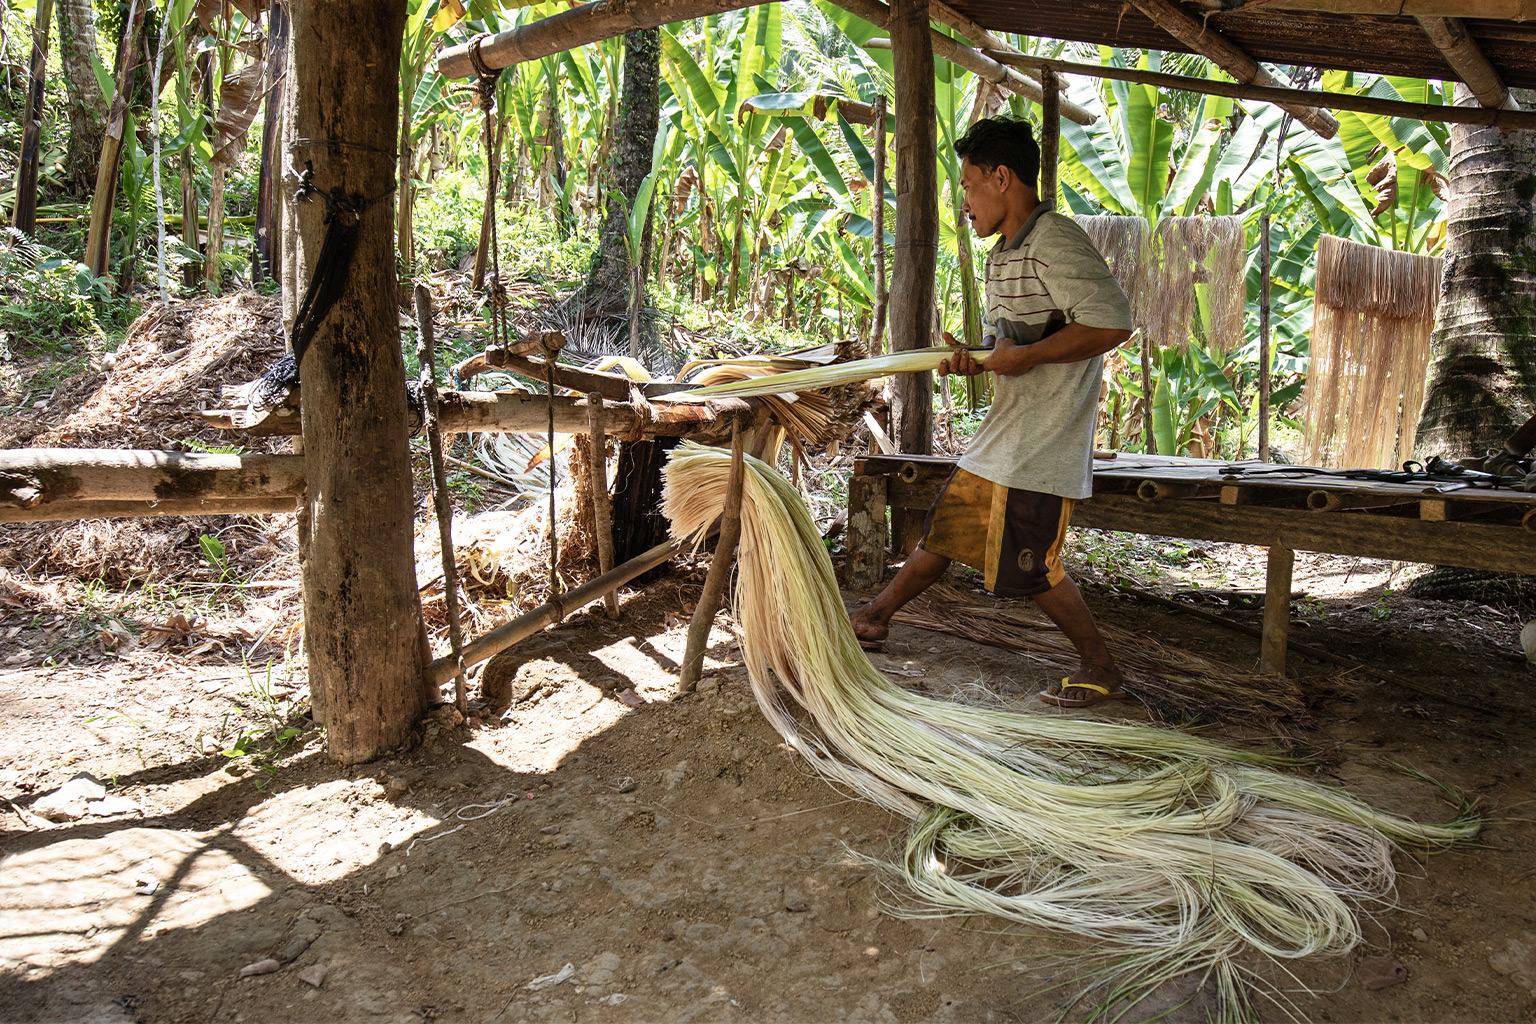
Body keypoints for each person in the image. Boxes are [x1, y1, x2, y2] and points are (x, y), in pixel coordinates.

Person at [849, 116, 1133, 708]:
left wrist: (1022, 357)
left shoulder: (1053, 239)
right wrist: (976, 359)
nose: (965, 204)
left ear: (1001, 177)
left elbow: (1110, 323)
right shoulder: (1009, 249)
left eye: (969, 186)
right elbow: (1014, 345)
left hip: (1040, 442)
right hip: (1006, 435)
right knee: (947, 530)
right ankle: (875, 617)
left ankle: (1100, 666)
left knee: (1033, 566)